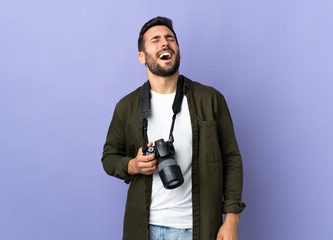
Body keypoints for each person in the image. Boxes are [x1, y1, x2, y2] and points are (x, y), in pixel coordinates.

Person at [102, 16, 246, 240]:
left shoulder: (210, 99)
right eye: (156, 40)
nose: (165, 43)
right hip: (144, 228)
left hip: (199, 228)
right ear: (142, 56)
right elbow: (109, 158)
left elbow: (232, 159)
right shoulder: (127, 107)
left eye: (170, 38)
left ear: (178, 50)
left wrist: (231, 221)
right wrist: (133, 165)